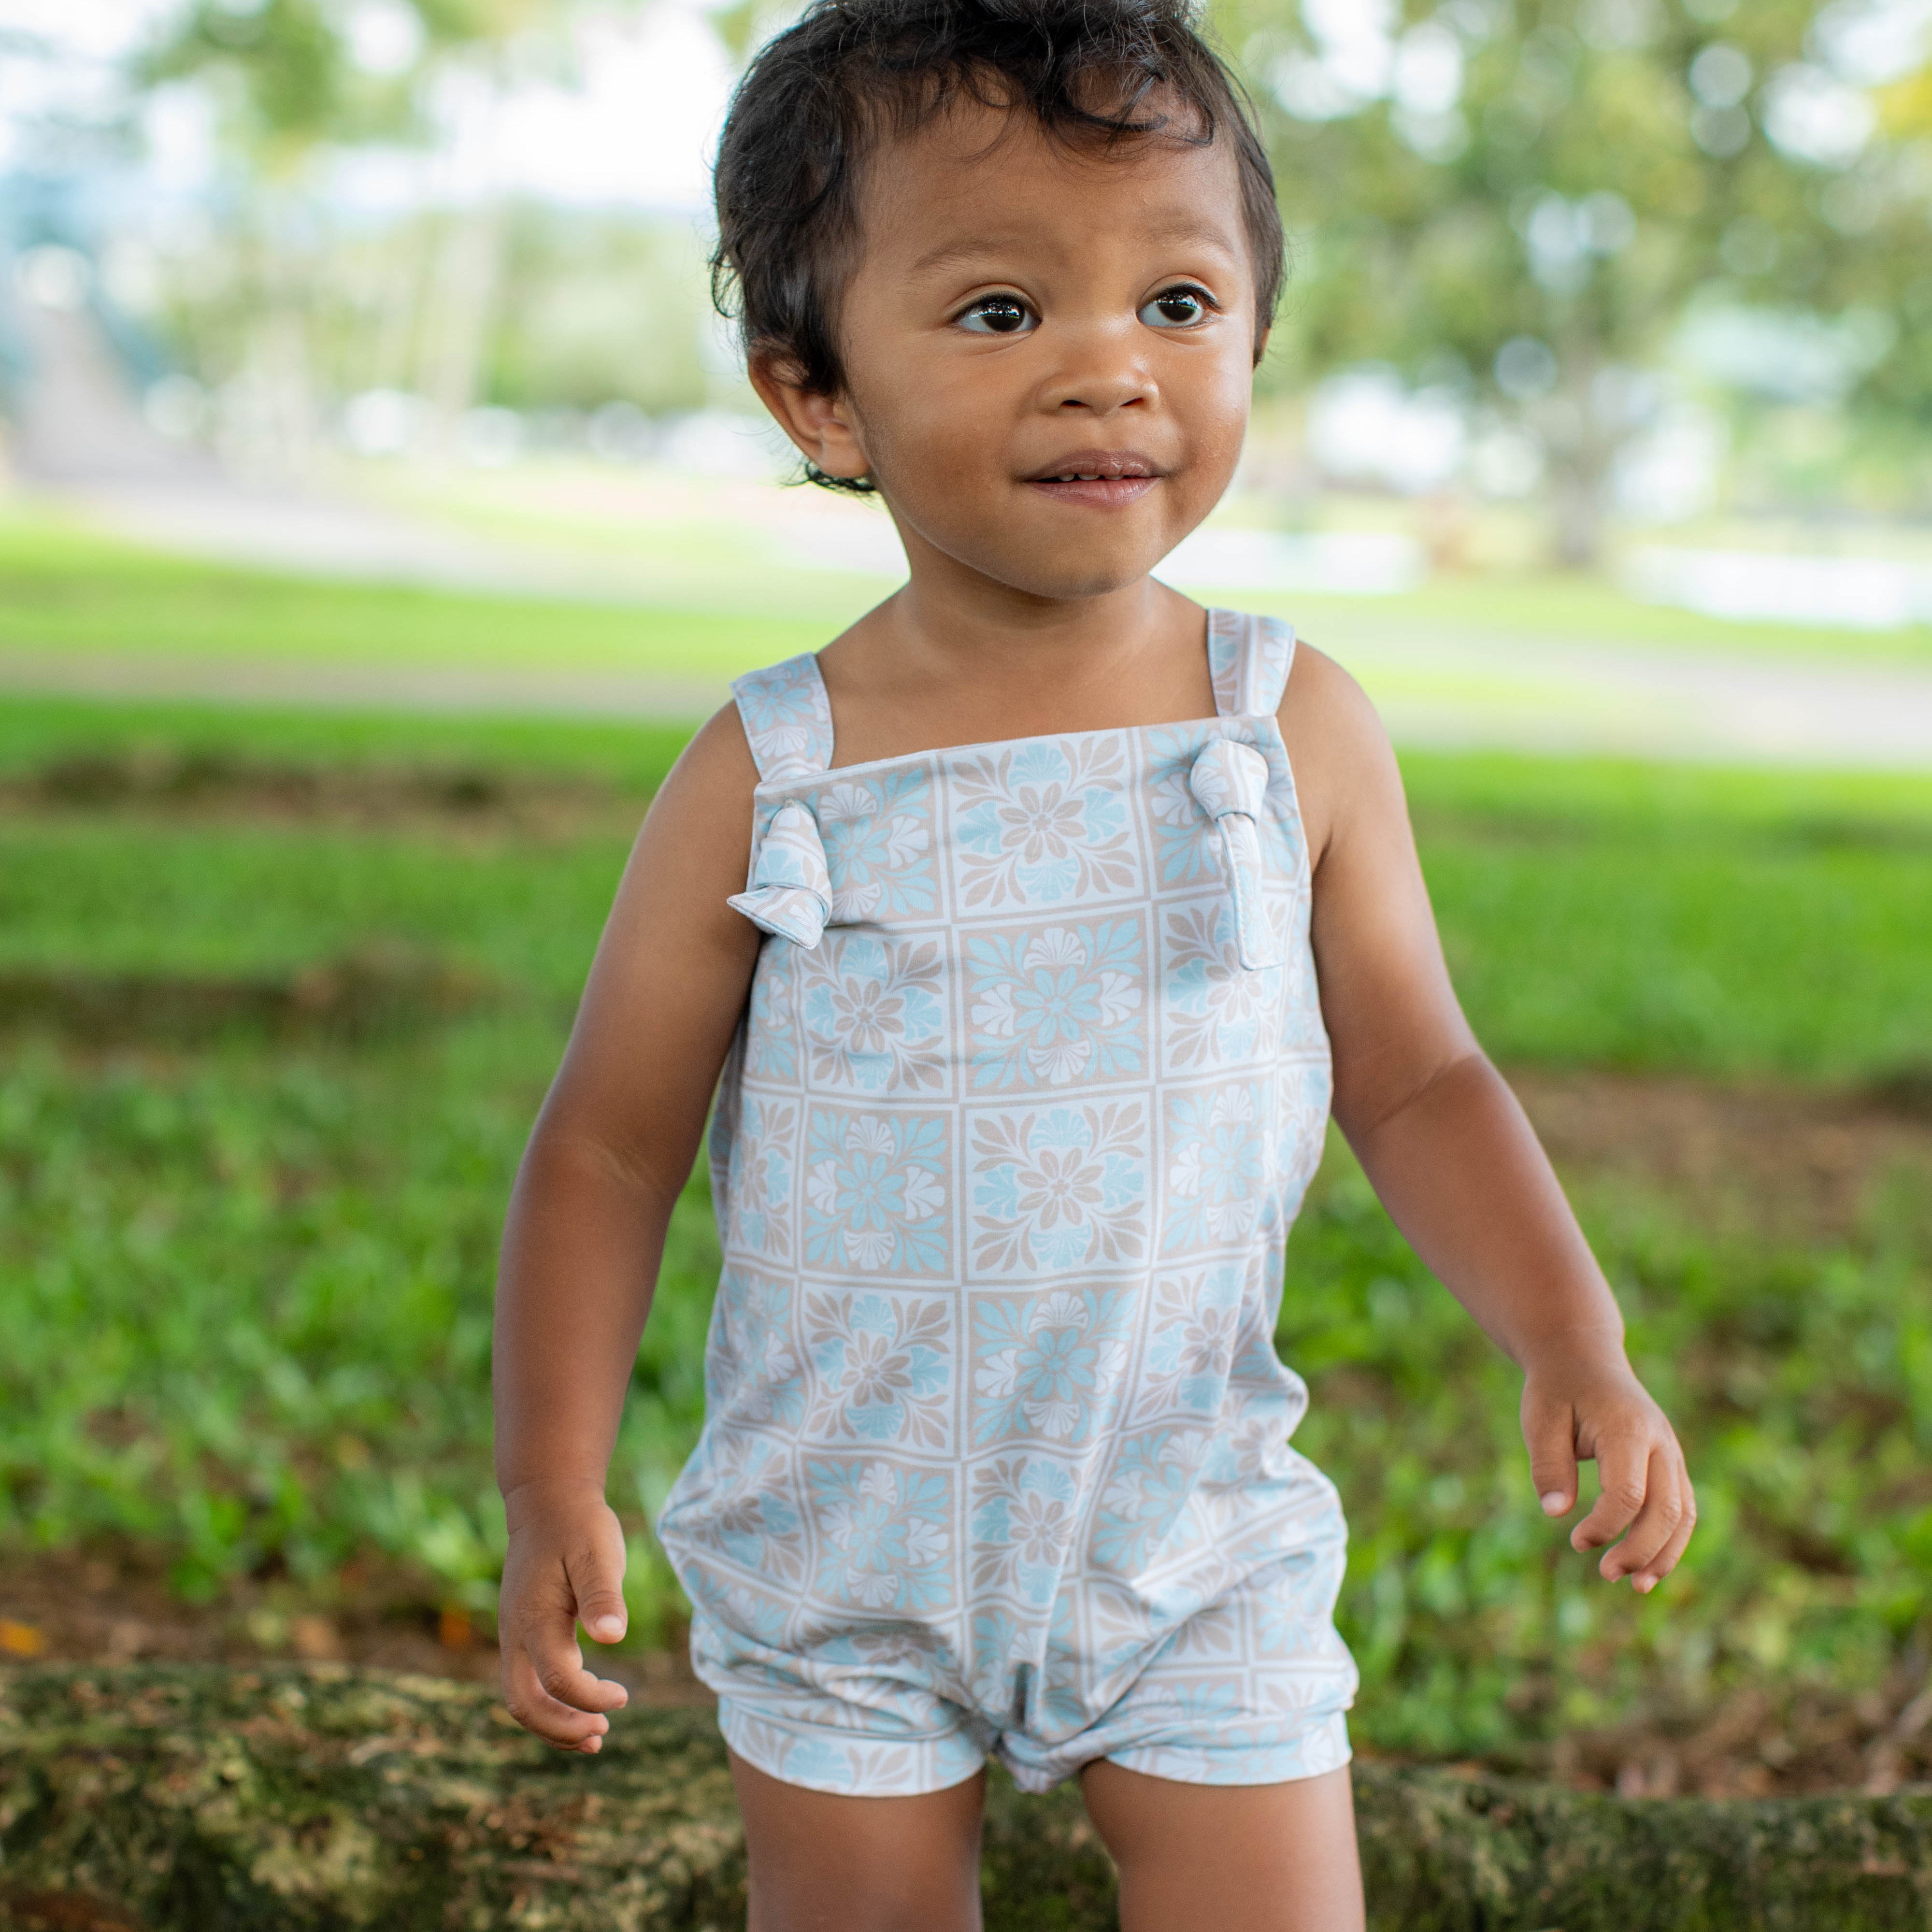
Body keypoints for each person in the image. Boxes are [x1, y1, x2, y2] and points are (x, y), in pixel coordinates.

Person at [490, 2, 1696, 1924]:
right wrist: (551, 1478)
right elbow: (606, 1146)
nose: (1108, 376)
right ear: (814, 391)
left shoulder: (1288, 727)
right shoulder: (769, 766)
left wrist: (1574, 1337)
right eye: (996, 315)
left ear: (1254, 340)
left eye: (1179, 305)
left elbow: (1417, 1077)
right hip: (842, 1551)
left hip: (1186, 1537)